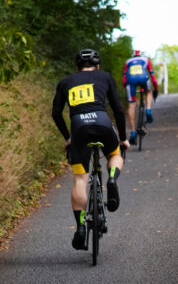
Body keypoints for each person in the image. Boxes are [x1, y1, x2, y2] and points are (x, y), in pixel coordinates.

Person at [52, 49, 130, 250]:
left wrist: (68, 138)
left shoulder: (65, 82)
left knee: (80, 179)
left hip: (79, 127)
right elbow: (118, 110)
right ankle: (111, 178)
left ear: (77, 67)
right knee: (114, 154)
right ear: (97, 65)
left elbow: (56, 113)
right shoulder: (104, 77)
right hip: (103, 122)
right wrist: (122, 138)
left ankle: (80, 227)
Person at [123, 50, 158, 145]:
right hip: (143, 78)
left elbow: (124, 80)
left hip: (131, 81)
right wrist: (156, 89)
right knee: (148, 92)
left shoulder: (127, 62)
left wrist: (127, 89)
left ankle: (133, 132)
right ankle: (148, 110)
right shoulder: (146, 60)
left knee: (131, 104)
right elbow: (153, 77)